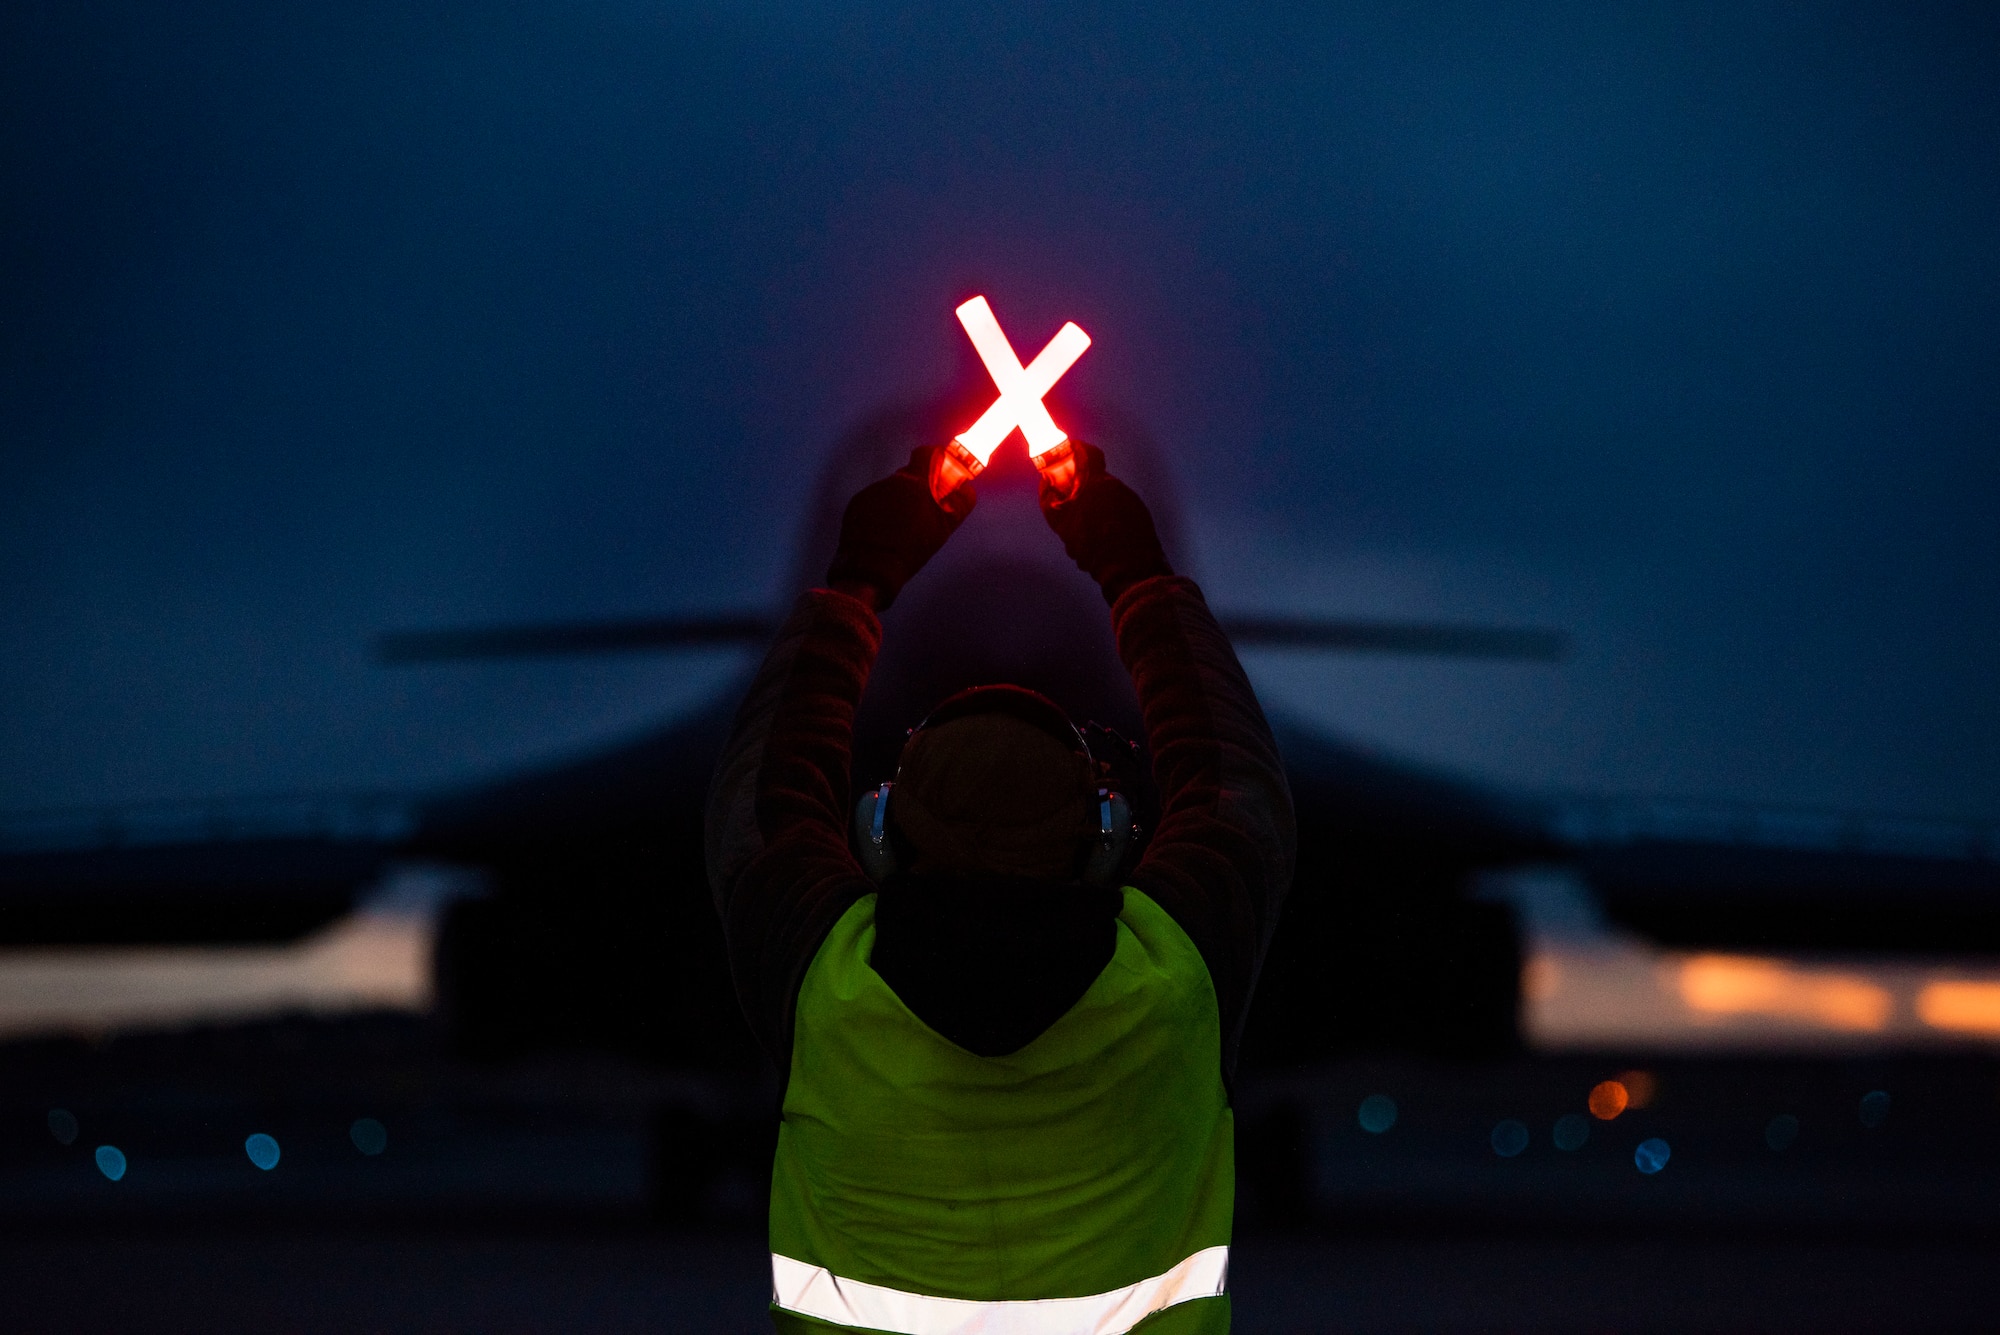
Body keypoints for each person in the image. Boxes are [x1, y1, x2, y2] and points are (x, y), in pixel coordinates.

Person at [706, 441, 1295, 1334]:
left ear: (880, 832)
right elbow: (1236, 793)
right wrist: (1137, 572)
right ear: (1104, 840)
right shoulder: (1178, 983)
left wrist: (857, 581)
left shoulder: (824, 985)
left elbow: (765, 797)